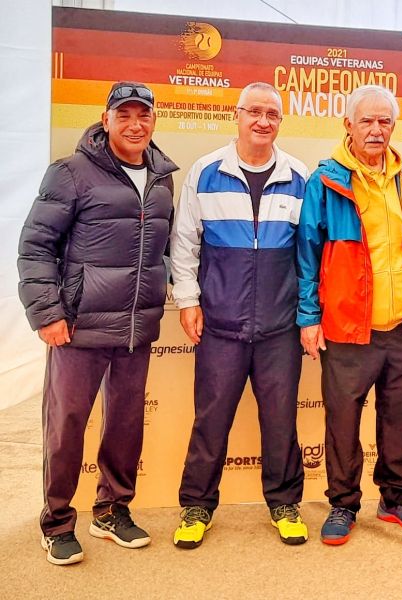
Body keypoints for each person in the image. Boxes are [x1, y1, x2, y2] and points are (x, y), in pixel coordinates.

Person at [18, 81, 178, 565]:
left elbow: (166, 251)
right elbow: (35, 247)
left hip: (136, 328)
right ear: (105, 120)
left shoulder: (162, 178)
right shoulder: (70, 173)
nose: (135, 124)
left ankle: (111, 510)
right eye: (123, 115)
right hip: (79, 327)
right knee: (67, 425)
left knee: (127, 423)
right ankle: (57, 520)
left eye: (143, 115)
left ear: (153, 121)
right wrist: (47, 314)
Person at [170, 82, 309, 548]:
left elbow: (308, 256)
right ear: (238, 114)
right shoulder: (205, 171)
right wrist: (188, 300)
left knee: (281, 419)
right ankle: (196, 505)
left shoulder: (299, 176)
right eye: (254, 112)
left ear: (280, 122)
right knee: (210, 419)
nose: (263, 121)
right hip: (220, 326)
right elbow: (185, 243)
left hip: (280, 329)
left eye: (272, 113)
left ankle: (285, 503)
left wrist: (307, 314)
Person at [297, 84, 402, 545]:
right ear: (348, 126)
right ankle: (342, 504)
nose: (377, 130)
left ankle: (397, 497)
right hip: (347, 325)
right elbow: (307, 254)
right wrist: (308, 317)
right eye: (367, 121)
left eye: (385, 122)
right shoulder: (326, 181)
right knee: (342, 419)